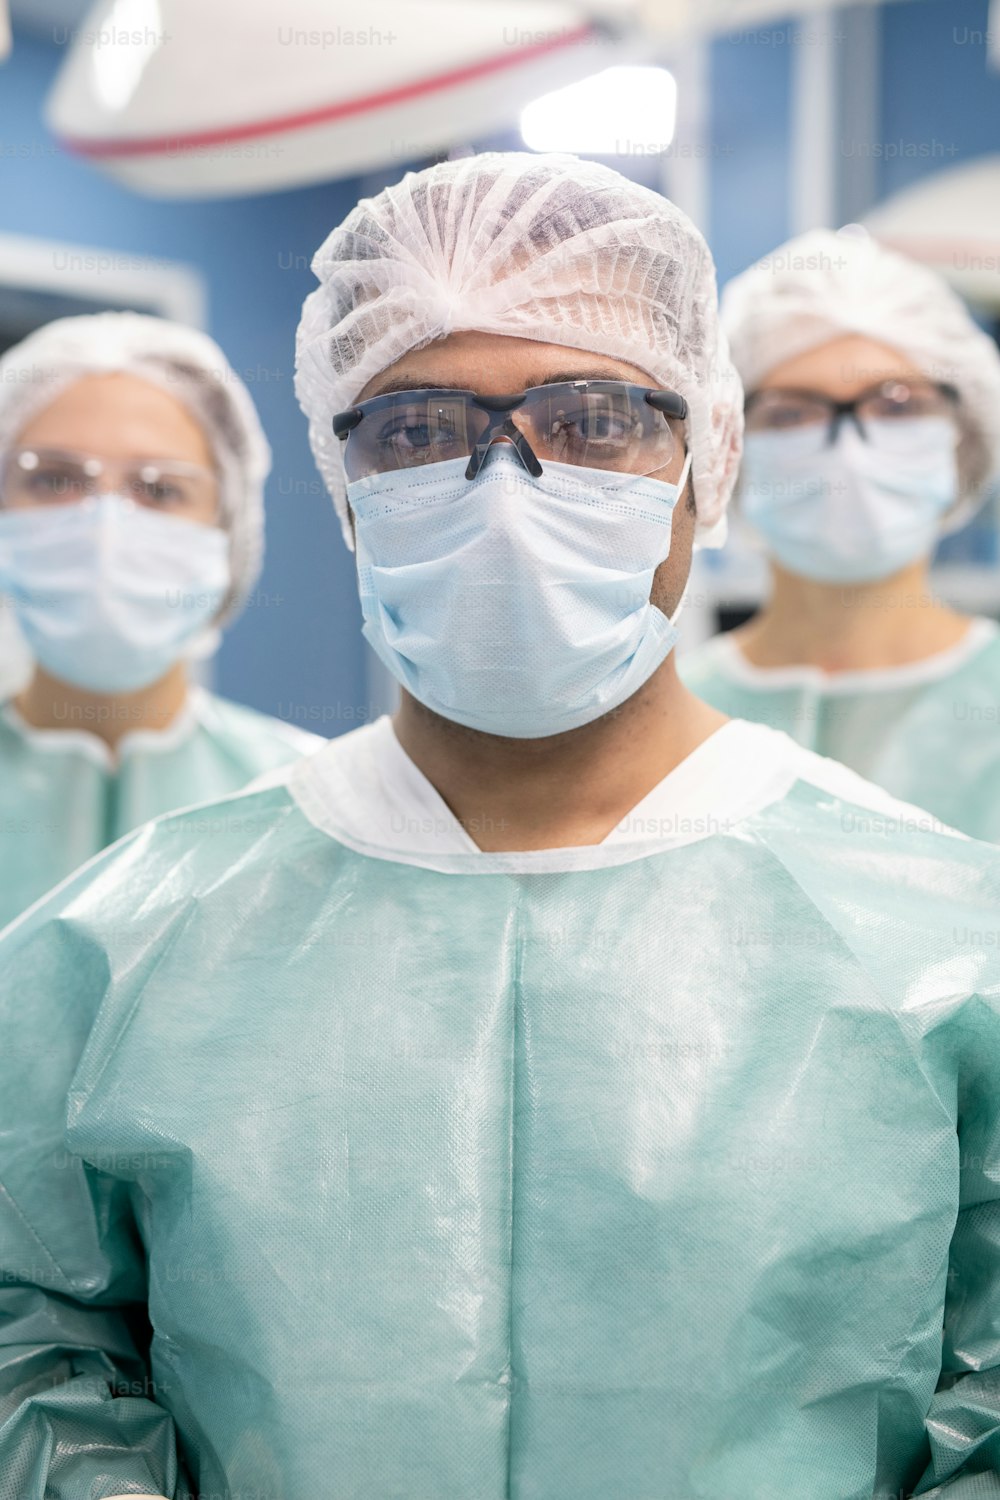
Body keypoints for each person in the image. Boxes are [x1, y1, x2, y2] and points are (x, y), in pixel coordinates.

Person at [1, 155, 999, 1500]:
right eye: (414, 429)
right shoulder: (117, 946)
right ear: (343, 485)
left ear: (706, 458)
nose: (504, 484)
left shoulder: (945, 941)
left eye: (593, 420)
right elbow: (34, 1351)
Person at [0, 312, 322, 927]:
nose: (104, 529)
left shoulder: (312, 799)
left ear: (228, 531)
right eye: (54, 479)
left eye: (158, 489)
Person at [680, 228, 1000, 839]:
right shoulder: (673, 720)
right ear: (729, 446)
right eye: (794, 412)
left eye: (898, 404)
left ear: (963, 437)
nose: (849, 451)